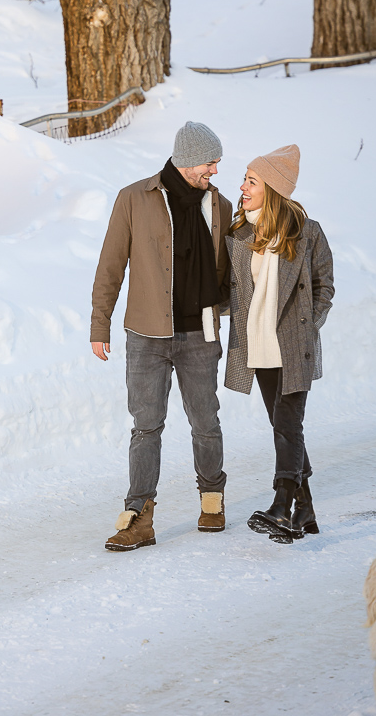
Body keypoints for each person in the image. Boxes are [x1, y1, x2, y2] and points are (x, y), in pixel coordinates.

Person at [91, 121, 233, 552]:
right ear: (189, 158)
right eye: (210, 162)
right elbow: (110, 266)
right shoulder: (135, 199)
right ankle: (139, 516)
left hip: (200, 334)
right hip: (146, 335)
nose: (215, 170)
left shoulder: (220, 206)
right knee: (145, 426)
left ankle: (212, 498)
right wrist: (100, 325)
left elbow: (235, 268)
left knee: (205, 421)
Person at [225, 144, 334, 543]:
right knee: (283, 425)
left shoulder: (307, 233)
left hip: (293, 345)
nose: (242, 187)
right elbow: (232, 289)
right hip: (257, 344)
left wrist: (310, 326)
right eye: (245, 179)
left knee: (288, 424)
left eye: (251, 181)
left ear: (271, 188)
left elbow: (325, 287)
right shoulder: (240, 233)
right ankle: (304, 512)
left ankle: (282, 505)